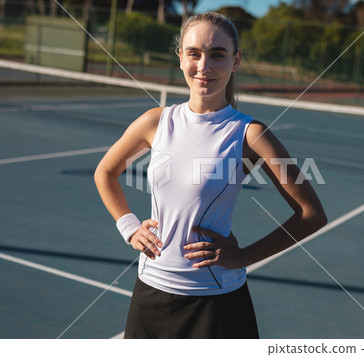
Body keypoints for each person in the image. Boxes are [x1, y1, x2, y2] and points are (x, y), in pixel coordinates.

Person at [94, 12, 327, 339]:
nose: (204, 66)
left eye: (217, 54)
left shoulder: (250, 134)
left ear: (236, 61)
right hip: (151, 293)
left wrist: (244, 256)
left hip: (216, 302)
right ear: (180, 58)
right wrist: (129, 226)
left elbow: (311, 215)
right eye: (194, 53)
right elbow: (105, 172)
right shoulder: (155, 121)